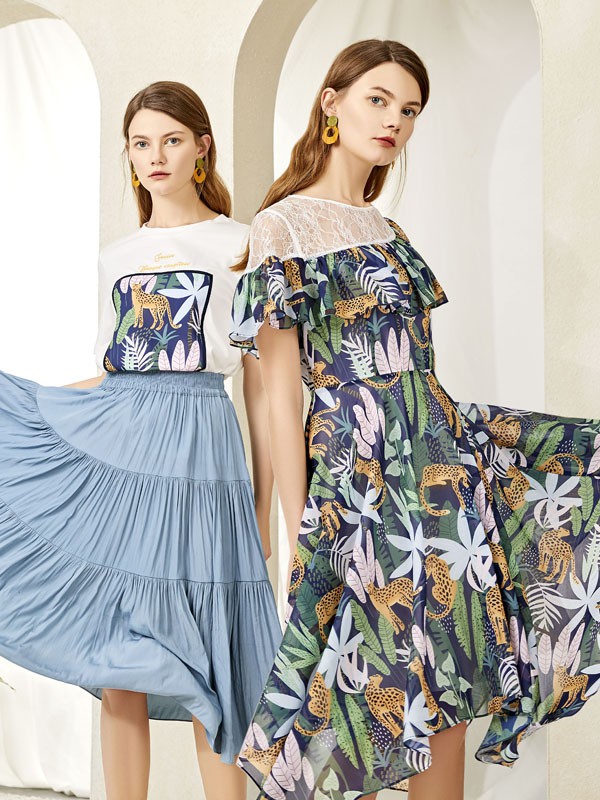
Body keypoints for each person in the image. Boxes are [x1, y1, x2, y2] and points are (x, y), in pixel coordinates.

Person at [229, 39, 600, 800]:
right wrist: (301, 526)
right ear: (331, 103)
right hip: (355, 483)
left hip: (440, 471)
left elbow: (420, 373)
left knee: (447, 688)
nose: (394, 120)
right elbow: (278, 397)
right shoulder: (282, 229)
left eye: (409, 109)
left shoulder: (392, 235)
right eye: (378, 99)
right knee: (363, 694)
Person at [0, 80, 281, 800]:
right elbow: (113, 369)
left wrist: (264, 506)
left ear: (202, 147)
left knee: (211, 651)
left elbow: (259, 385)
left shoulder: (243, 244)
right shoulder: (116, 255)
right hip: (122, 452)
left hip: (202, 451)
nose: (156, 156)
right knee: (116, 649)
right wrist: (32, 403)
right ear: (128, 155)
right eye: (141, 143)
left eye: (172, 140)